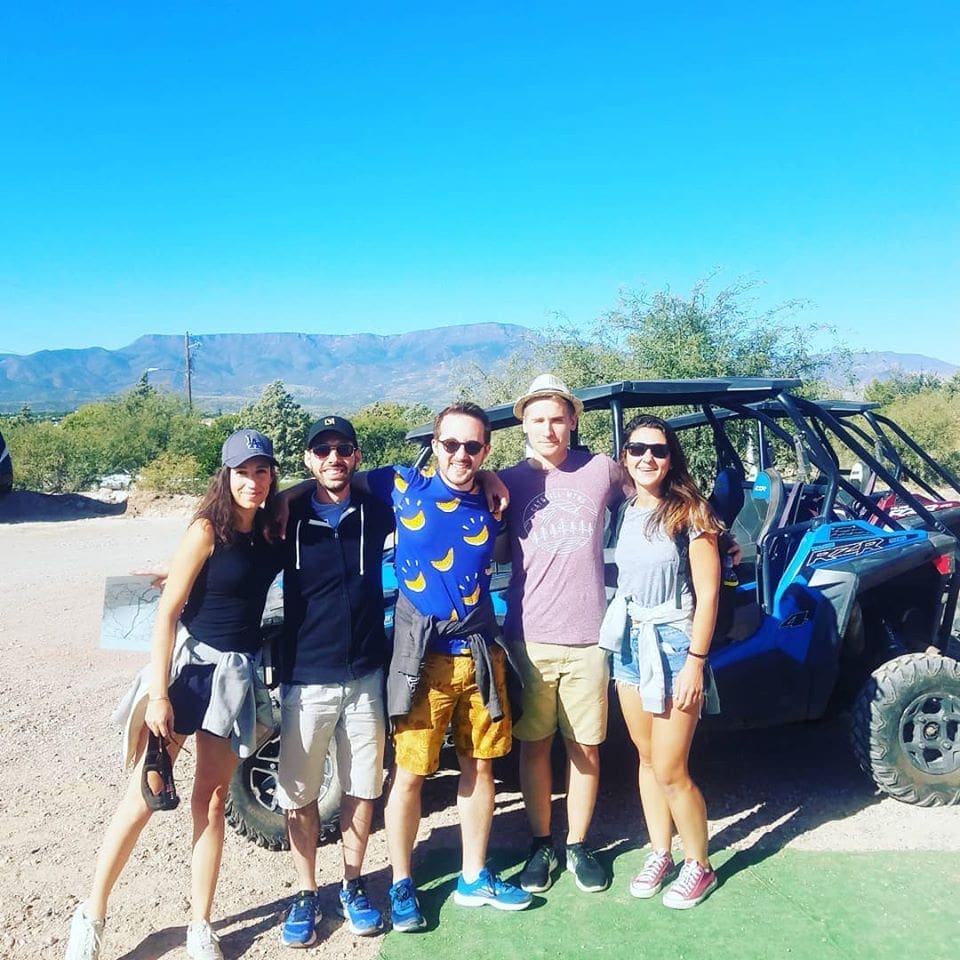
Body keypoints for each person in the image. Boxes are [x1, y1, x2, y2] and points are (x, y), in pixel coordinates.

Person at [64, 430, 284, 960]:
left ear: (273, 475)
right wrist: (159, 694)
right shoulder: (207, 530)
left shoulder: (273, 529)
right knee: (144, 795)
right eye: (242, 472)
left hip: (236, 679)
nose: (252, 482)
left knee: (210, 802)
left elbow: (310, 491)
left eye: (261, 472)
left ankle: (201, 925)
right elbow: (166, 614)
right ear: (224, 475)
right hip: (190, 675)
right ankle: (91, 915)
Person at [360, 401, 531, 929]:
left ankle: (473, 876)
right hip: (423, 660)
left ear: (486, 449)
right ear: (434, 445)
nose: (461, 454)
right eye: (451, 444)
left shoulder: (492, 498)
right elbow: (320, 483)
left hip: (479, 653)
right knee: (410, 773)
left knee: (481, 767)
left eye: (473, 446)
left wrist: (496, 477)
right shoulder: (400, 486)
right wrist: (272, 506)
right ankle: (402, 882)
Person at [497, 374, 626, 895]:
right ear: (523, 423)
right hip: (529, 635)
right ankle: (540, 841)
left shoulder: (601, 471)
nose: (548, 428)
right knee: (533, 747)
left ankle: (577, 844)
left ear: (573, 420)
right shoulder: (506, 480)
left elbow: (659, 496)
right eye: (537, 418)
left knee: (586, 749)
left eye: (557, 418)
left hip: (589, 637)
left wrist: (716, 533)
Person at [275, 416, 395, 946]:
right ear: (308, 459)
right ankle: (306, 892)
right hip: (307, 679)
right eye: (321, 451)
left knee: (363, 786)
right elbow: (228, 538)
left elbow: (433, 479)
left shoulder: (376, 508)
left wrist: (490, 479)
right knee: (299, 793)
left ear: (357, 456)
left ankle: (352, 884)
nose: (333, 459)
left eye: (343, 449)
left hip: (368, 675)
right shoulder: (287, 516)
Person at [604, 413, 722, 909]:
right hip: (630, 644)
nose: (646, 458)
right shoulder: (621, 510)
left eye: (657, 450)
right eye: (636, 449)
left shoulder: (690, 513)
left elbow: (709, 592)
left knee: (673, 768)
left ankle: (701, 865)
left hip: (674, 645)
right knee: (648, 759)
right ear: (624, 457)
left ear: (671, 458)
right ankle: (661, 851)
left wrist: (696, 661)